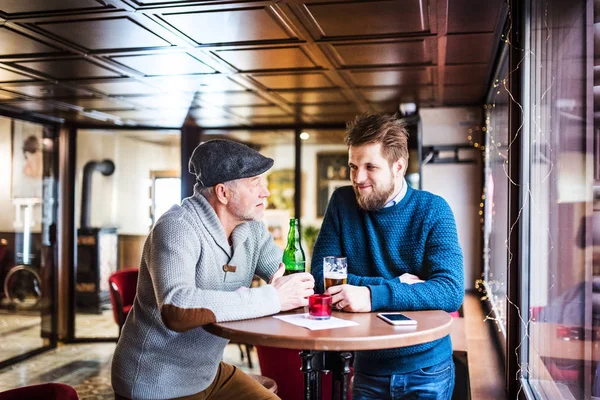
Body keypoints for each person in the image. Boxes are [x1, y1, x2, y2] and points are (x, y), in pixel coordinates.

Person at [112, 139, 315, 400]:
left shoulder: (251, 229)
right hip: (157, 381)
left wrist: (294, 283)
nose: (265, 192)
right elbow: (178, 307)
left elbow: (287, 274)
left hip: (208, 372)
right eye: (255, 183)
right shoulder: (177, 227)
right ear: (223, 193)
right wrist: (272, 297)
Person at [311, 113, 464, 400]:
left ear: (399, 166)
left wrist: (370, 295)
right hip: (368, 364)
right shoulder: (342, 203)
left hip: (427, 368)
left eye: (370, 167)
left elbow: (450, 291)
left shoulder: (433, 210)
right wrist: (397, 285)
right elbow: (322, 275)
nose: (358, 178)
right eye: (353, 167)